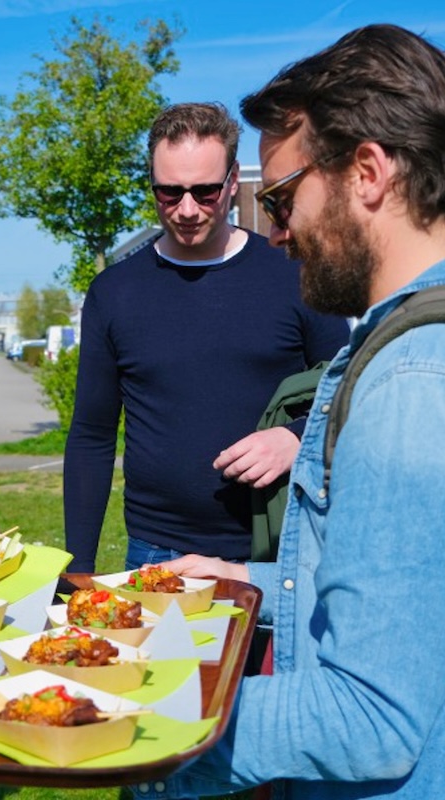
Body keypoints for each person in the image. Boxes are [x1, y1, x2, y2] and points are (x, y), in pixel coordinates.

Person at [135, 23, 445, 800]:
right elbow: (409, 598)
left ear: (367, 173)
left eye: (280, 198)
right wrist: (239, 577)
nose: (276, 232)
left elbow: (371, 718)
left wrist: (123, 731)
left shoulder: (408, 382)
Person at [63, 102, 349, 574]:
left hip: (277, 547)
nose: (188, 209)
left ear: (234, 181)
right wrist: (77, 566)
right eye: (170, 193)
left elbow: (349, 390)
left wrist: (296, 437)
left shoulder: (294, 272)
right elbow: (92, 435)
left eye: (206, 191)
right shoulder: (114, 292)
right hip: (157, 552)